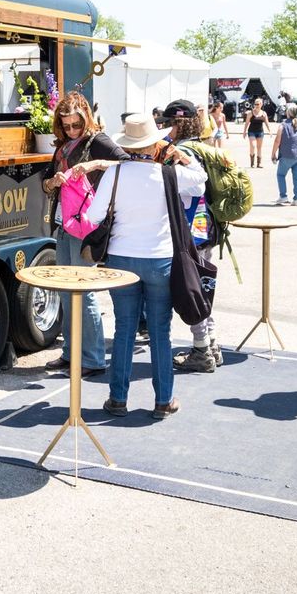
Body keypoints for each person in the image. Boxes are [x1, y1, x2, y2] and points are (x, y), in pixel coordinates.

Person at [84, 113, 194, 419]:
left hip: (121, 260)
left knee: (124, 330)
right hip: (159, 259)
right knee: (161, 332)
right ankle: (164, 400)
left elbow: (92, 217)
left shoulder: (115, 174)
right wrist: (181, 157)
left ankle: (117, 399)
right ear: (154, 143)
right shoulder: (168, 174)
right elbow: (201, 181)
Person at [39, 92, 128, 377]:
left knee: (84, 292)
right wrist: (54, 181)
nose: (72, 130)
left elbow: (130, 164)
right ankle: (70, 353)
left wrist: (93, 165)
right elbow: (45, 184)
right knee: (67, 290)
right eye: (67, 126)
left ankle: (91, 358)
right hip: (64, 223)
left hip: (86, 225)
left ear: (86, 118)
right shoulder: (62, 146)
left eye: (77, 124)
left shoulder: (98, 141)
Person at [155, 100, 218, 372]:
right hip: (205, 228)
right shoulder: (202, 146)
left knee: (192, 292)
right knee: (203, 289)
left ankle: (202, 350)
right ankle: (212, 345)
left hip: (188, 231)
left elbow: (190, 190)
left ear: (174, 124)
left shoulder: (180, 151)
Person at [271, 103, 297, 206]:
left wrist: (273, 153)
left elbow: (277, 141)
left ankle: (283, 196)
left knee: (281, 174)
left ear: (287, 112)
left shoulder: (283, 125)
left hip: (287, 154)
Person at [243, 98, 270, 167]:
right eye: (255, 104)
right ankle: (252, 163)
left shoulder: (264, 113)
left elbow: (267, 123)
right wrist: (244, 132)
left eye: (258, 104)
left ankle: (259, 163)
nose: (256, 105)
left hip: (260, 132)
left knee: (259, 147)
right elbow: (246, 123)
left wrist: (270, 131)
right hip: (251, 131)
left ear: (261, 104)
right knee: (253, 146)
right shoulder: (250, 113)